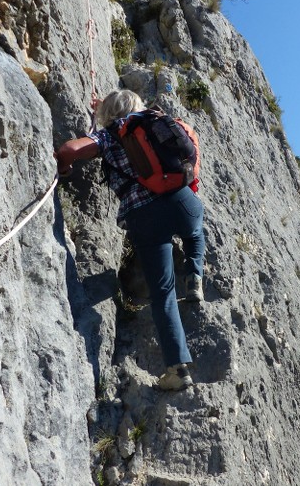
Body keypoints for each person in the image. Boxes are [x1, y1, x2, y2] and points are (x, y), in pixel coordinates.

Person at [55, 89, 205, 391]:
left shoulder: (110, 136)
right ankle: (195, 275)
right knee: (194, 231)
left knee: (163, 292)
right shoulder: (154, 122)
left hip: (146, 218)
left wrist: (64, 164)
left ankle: (178, 369)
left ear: (107, 116)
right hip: (184, 202)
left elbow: (70, 149)